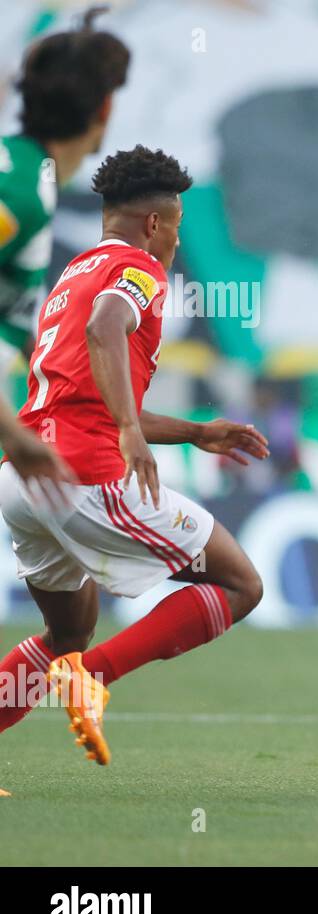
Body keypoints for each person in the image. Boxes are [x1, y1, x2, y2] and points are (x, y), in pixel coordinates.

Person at [0, 146, 267, 768]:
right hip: (84, 478)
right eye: (175, 228)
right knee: (240, 583)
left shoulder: (70, 277)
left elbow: (84, 389)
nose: (175, 244)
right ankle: (91, 676)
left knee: (65, 631)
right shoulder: (138, 271)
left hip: (23, 478)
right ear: (155, 224)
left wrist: (193, 432)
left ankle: (77, 663)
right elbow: (106, 328)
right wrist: (127, 432)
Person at [1, 7, 129, 365]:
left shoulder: (27, 171)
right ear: (105, 109)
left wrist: (48, 368)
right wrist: (16, 425)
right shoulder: (22, 193)